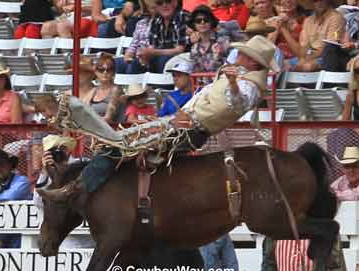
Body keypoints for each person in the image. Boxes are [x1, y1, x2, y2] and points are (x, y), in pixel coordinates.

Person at [43, 35, 276, 207]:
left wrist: (233, 83)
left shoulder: (249, 86)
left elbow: (236, 103)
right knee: (118, 142)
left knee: (118, 144)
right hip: (181, 125)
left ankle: (77, 190)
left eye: (246, 55)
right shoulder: (244, 80)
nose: (240, 57)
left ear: (254, 63)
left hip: (188, 130)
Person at [320, 0, 359, 72]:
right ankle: (328, 79)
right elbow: (345, 37)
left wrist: (355, 44)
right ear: (357, 2)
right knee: (330, 47)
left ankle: (330, 80)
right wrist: (344, 43)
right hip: (350, 53)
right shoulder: (350, 17)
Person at [135, 0, 188, 73]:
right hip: (161, 55)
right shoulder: (156, 19)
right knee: (133, 63)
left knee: (163, 60)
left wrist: (153, 52)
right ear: (156, 6)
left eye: (168, 2)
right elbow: (151, 47)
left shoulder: (182, 16)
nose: (164, 5)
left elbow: (179, 50)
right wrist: (144, 55)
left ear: (175, 2)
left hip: (184, 58)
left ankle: (158, 84)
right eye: (160, 3)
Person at [294, 0, 345, 72]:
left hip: (327, 58)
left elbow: (330, 46)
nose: (320, 2)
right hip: (309, 56)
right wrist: (302, 58)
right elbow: (304, 46)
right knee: (283, 65)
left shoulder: (336, 18)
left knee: (307, 66)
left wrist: (307, 59)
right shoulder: (308, 20)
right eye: (316, 0)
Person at [188, 5, 227, 87]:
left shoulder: (222, 41)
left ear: (211, 22)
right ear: (194, 25)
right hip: (201, 88)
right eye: (198, 21)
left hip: (221, 85)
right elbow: (194, 72)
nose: (202, 22)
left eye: (206, 20)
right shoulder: (194, 48)